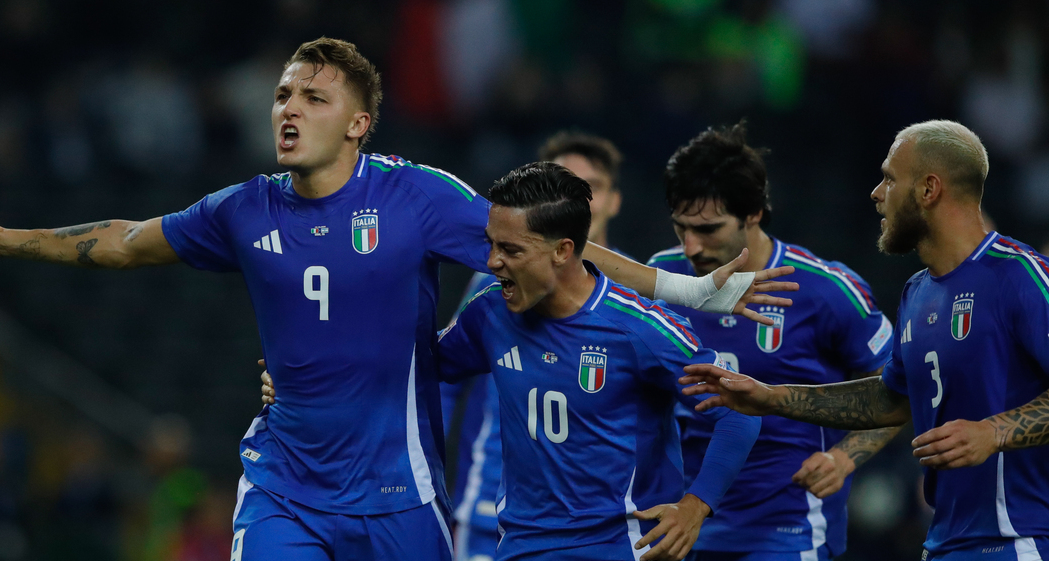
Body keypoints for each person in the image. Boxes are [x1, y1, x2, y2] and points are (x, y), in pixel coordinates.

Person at [0, 37, 794, 561]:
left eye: (313, 96)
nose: (288, 108)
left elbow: (559, 252)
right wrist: (10, 241)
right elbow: (123, 240)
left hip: (400, 494)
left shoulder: (420, 198)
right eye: (281, 95)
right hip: (286, 486)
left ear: (359, 122)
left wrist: (687, 287)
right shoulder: (241, 209)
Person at [271, 161, 763, 560]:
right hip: (523, 544)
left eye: (510, 250)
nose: (491, 262)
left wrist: (696, 507)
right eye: (489, 244)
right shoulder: (490, 313)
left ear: (562, 251)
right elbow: (414, 367)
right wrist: (306, 377)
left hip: (621, 546)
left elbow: (739, 411)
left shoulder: (638, 328)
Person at [681, 120, 1049, 560]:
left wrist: (994, 432)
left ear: (929, 189)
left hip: (1021, 538)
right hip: (947, 542)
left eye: (890, 178)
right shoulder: (918, 291)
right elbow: (890, 400)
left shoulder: (1021, 276)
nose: (877, 193)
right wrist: (771, 397)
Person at [645, 123, 902, 561]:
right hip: (684, 522)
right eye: (680, 228)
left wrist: (844, 458)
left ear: (754, 214)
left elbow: (900, 386)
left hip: (789, 526)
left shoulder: (825, 289)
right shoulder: (662, 279)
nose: (690, 246)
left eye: (707, 229)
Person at [444, 130, 629, 561]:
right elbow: (444, 375)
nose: (581, 201)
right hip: (492, 503)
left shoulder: (633, 305)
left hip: (594, 522)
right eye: (567, 184)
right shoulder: (495, 282)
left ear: (615, 201)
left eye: (594, 188)